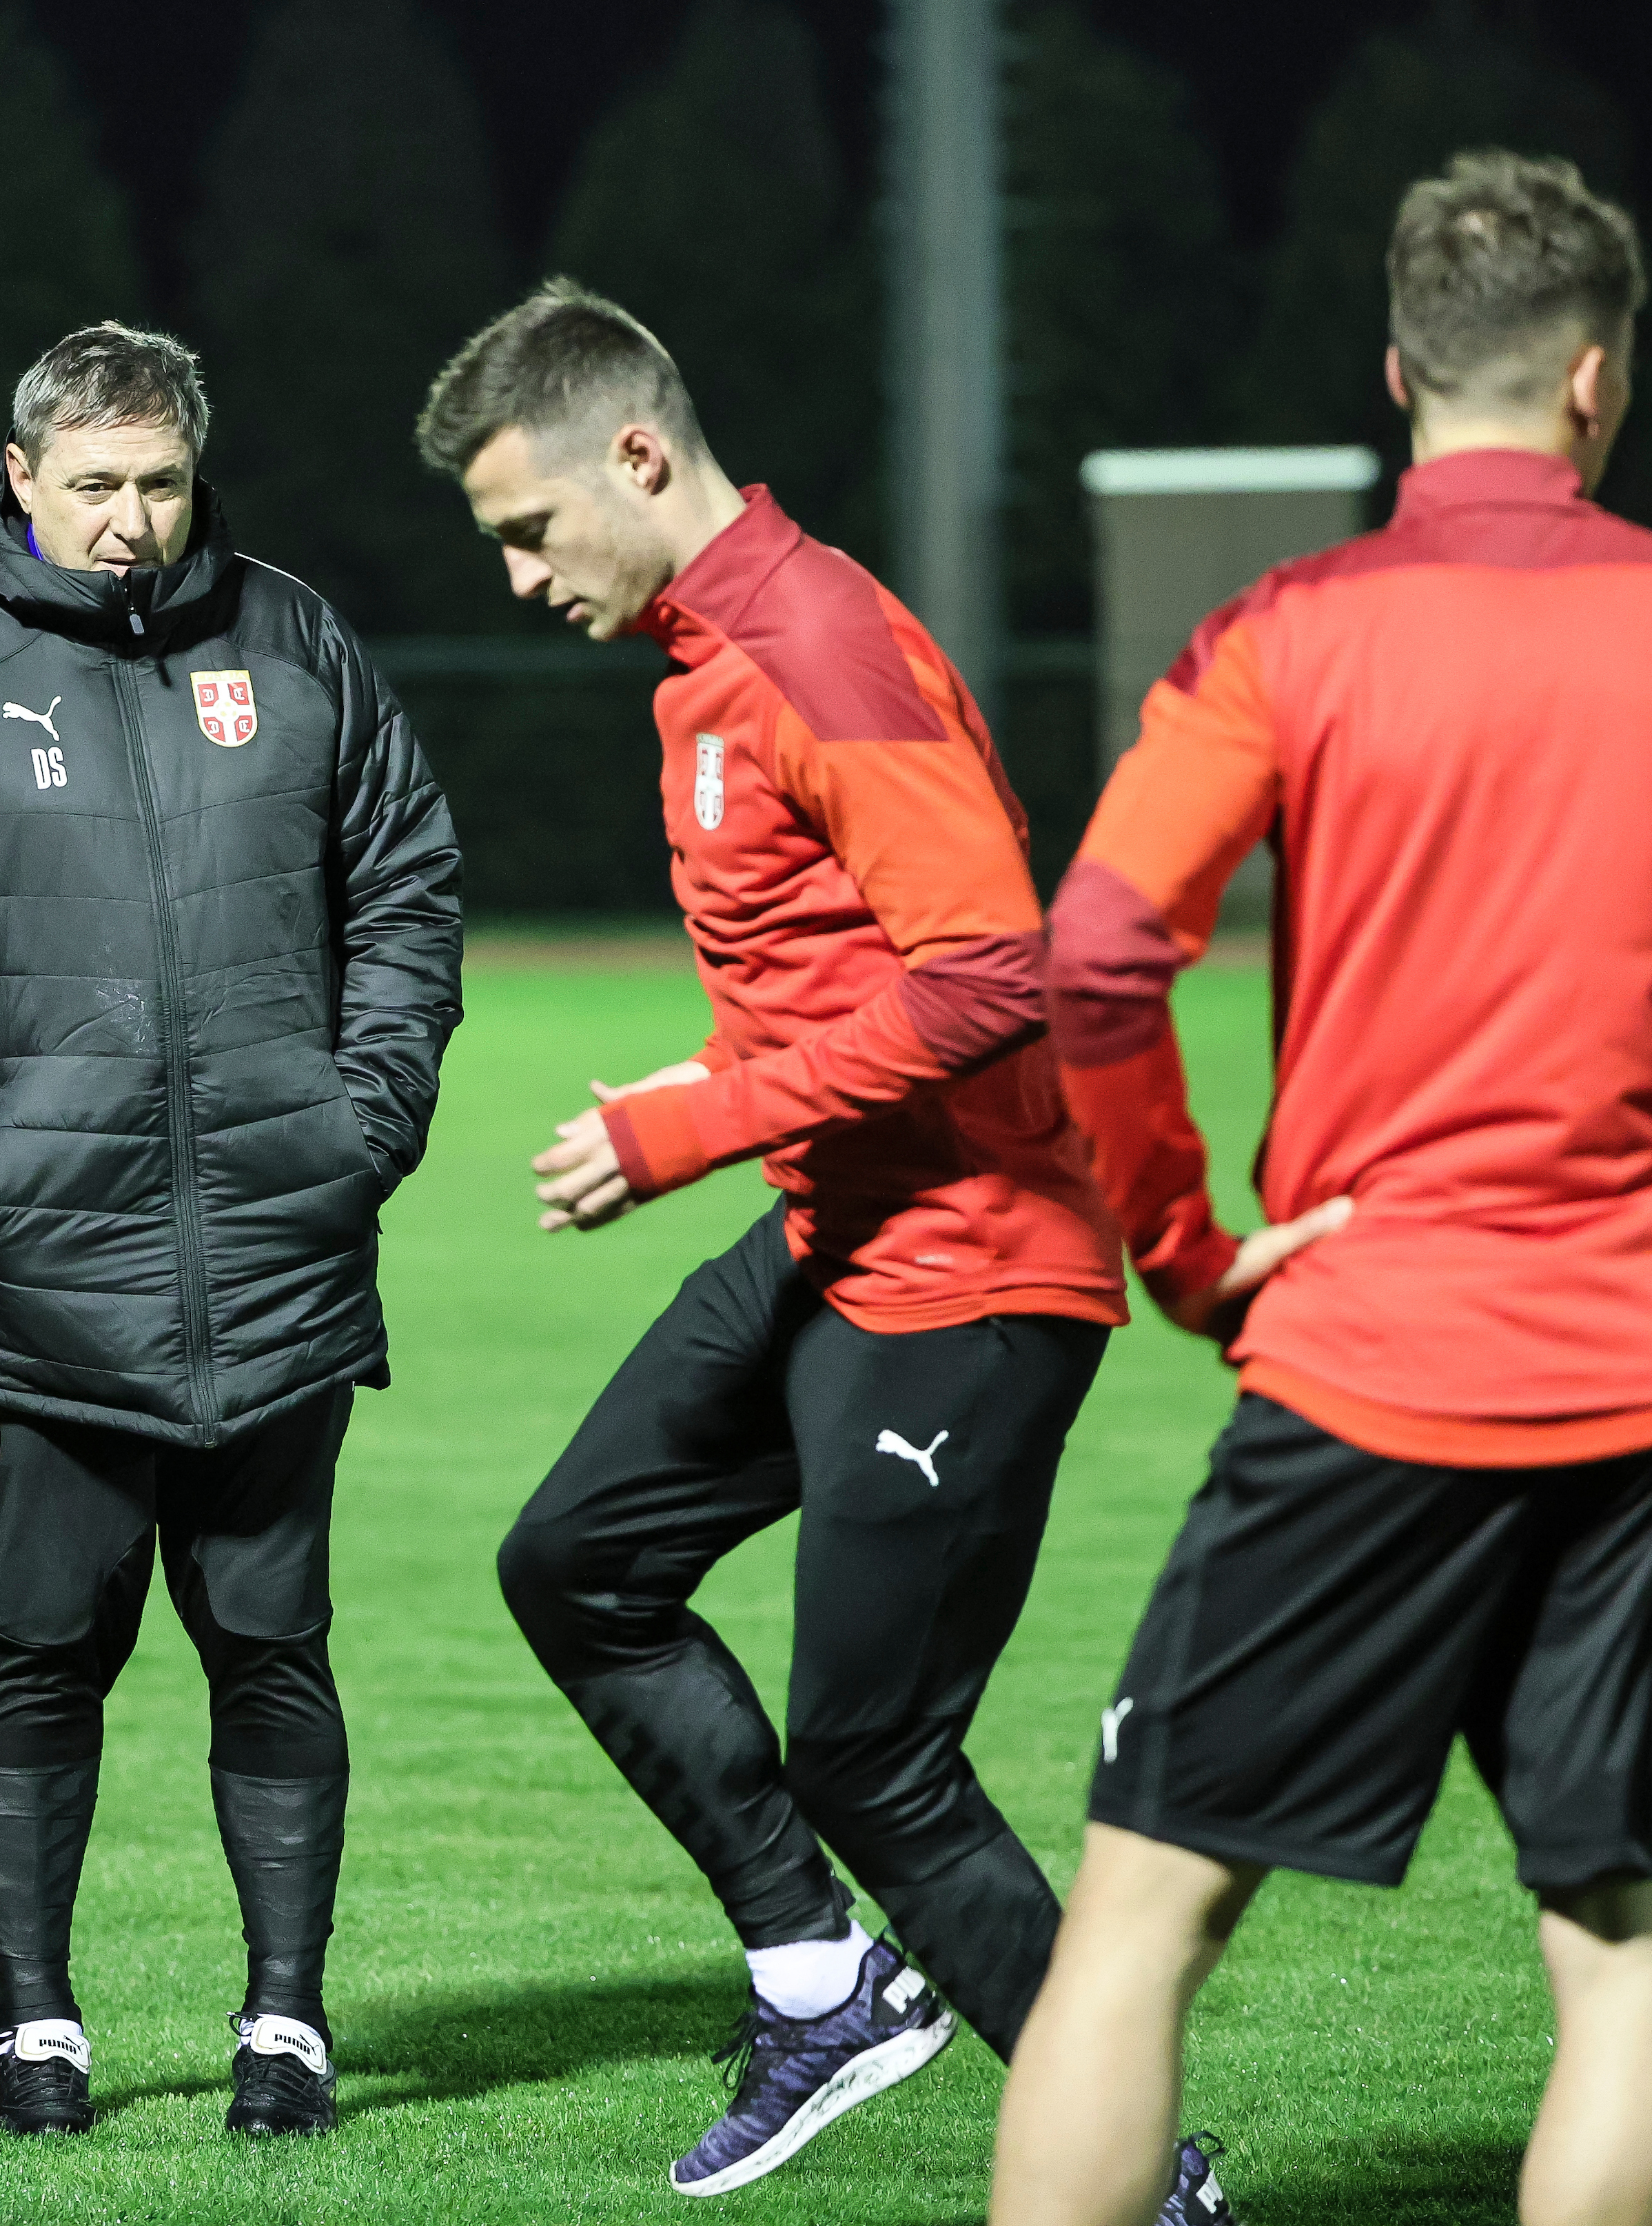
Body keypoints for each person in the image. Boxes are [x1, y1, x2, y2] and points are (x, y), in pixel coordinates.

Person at [989, 151, 1652, 2226]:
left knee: (1142, 1927)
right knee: (1622, 1937)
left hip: (1364, 1357)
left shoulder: (1287, 638)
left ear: (1402, 371)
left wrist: (1196, 1260)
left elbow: (1100, 956)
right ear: (1599, 378)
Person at [416, 281, 1238, 2211]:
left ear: (637, 452)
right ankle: (824, 1986)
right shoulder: (709, 662)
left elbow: (992, 976)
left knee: (878, 1761)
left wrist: (686, 1123)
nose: (524, 577)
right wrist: (712, 1081)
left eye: (531, 530)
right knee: (579, 1562)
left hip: (972, 1269)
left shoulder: (816, 646)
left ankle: (1156, 2189)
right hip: (839, 1232)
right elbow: (827, 983)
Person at [0, 321, 460, 2138]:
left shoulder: (298, 642)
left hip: (275, 1267)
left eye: (162, 484)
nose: (134, 522)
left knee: (272, 1643)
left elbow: (404, 885)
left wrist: (359, 1123)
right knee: (39, 1653)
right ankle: (36, 2032)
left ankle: (288, 2031)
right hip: (41, 1287)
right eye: (95, 486)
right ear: (20, 477)